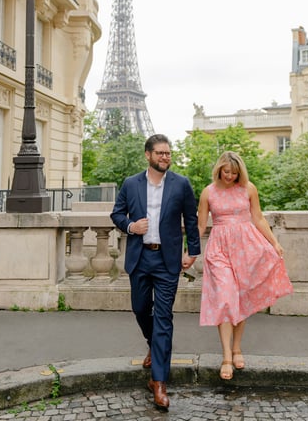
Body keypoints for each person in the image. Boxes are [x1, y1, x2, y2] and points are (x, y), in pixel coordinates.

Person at [111, 134, 201, 410]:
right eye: (160, 153)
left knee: (164, 317)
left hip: (167, 261)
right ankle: (154, 345)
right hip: (140, 257)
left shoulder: (181, 184)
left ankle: (159, 382)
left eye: (168, 153)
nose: (165, 157)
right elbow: (117, 214)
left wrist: (193, 251)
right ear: (148, 155)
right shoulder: (130, 184)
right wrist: (130, 227)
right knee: (140, 309)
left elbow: (191, 219)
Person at [198, 151, 293, 380]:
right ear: (219, 169)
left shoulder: (248, 188)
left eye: (234, 172)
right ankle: (226, 357)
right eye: (226, 171)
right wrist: (188, 251)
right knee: (225, 298)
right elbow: (200, 226)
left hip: (245, 247)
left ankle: (237, 348)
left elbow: (258, 218)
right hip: (219, 249)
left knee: (241, 298)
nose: (230, 176)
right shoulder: (208, 192)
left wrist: (275, 242)